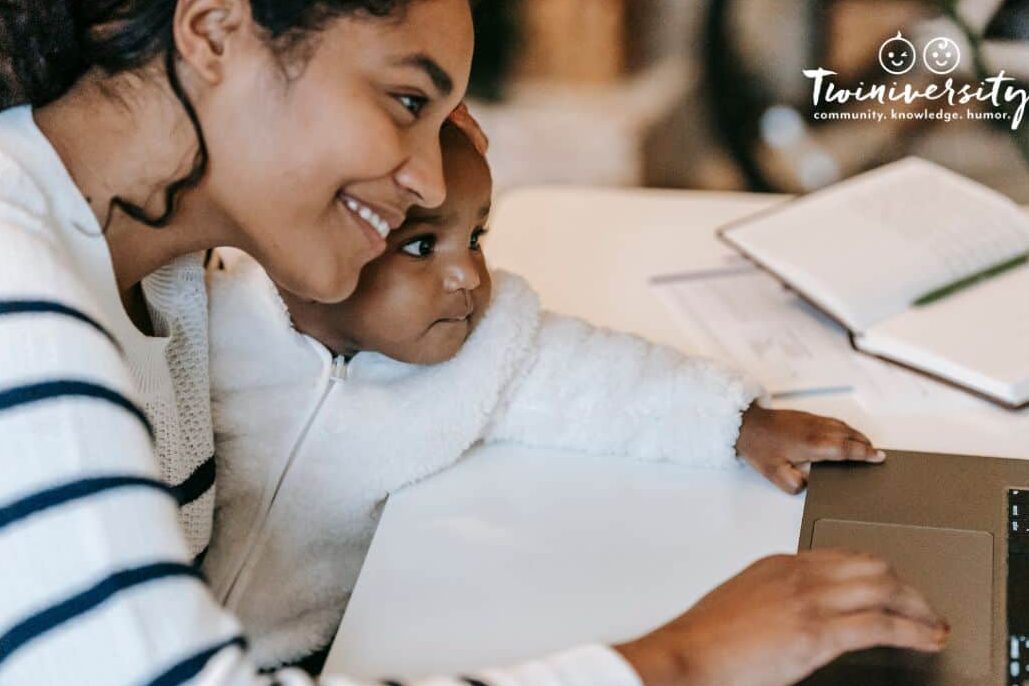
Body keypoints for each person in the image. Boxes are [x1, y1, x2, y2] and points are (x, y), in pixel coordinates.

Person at [0, 1, 948, 685]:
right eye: (408, 101)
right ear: (213, 32)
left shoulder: (160, 276)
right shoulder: (24, 314)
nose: (426, 177)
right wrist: (683, 660)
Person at [203, 121, 899, 671]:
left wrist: (738, 422)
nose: (466, 276)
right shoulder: (212, 315)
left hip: (320, 649)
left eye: (474, 236)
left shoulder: (476, 350)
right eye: (419, 247)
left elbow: (596, 380)